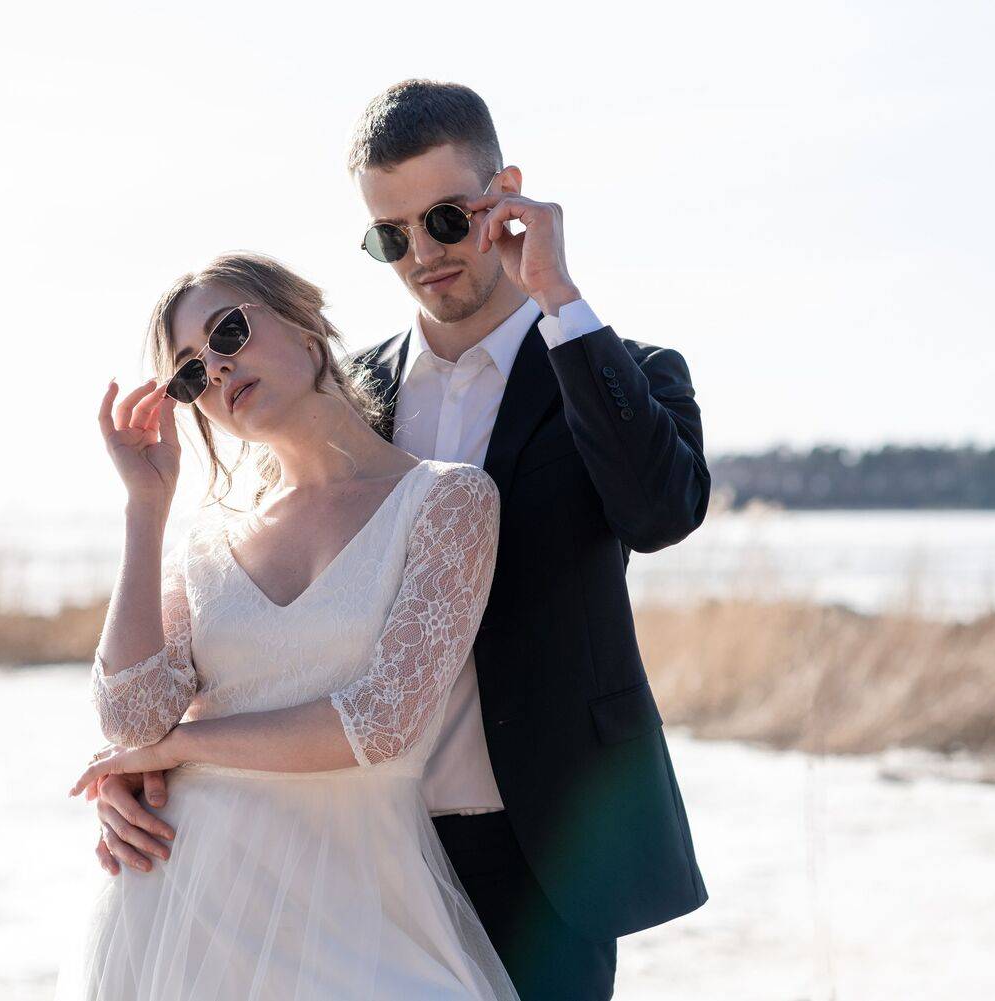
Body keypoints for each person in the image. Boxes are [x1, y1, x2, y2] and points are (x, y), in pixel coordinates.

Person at [91, 79, 711, 1000]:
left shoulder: (614, 369)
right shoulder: (345, 399)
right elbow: (248, 633)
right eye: (391, 235)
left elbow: (662, 512)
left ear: (505, 197)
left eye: (448, 219)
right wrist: (146, 769)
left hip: (544, 845)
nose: (423, 254)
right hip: (349, 846)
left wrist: (558, 296)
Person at [53, 252, 518, 999]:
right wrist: (146, 507)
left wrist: (179, 747)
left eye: (228, 332)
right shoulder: (205, 543)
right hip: (182, 906)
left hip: (360, 906)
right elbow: (133, 720)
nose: (216, 368)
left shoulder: (447, 502)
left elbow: (384, 721)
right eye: (189, 374)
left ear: (305, 326)